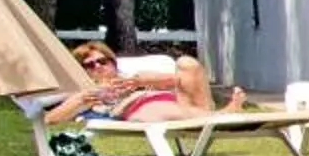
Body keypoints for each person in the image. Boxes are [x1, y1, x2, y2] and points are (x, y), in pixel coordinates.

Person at [36, 42, 246, 127]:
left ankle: (220, 114)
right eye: (90, 65)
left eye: (103, 61)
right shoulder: (87, 92)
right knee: (157, 108)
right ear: (83, 70)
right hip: (136, 109)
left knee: (186, 63)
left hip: (177, 101)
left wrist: (141, 82)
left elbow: (184, 80)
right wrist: (83, 98)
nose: (98, 66)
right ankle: (226, 113)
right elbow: (49, 119)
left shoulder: (133, 76)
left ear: (113, 61)